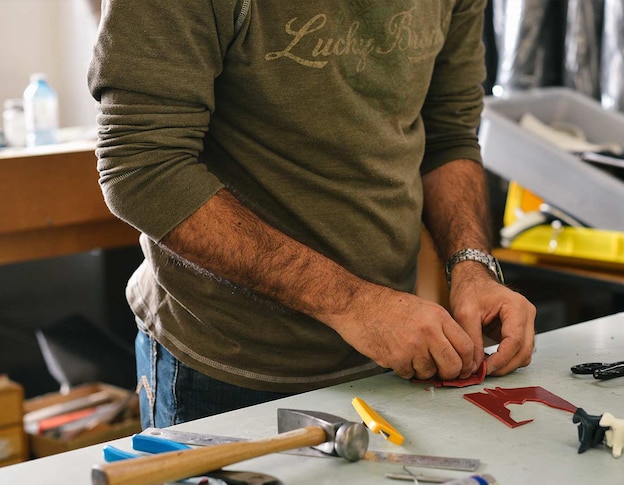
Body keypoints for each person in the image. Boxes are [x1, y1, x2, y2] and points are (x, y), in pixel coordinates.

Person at [88, 0, 536, 429]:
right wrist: (353, 304)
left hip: (389, 359)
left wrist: (472, 267)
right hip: (229, 370)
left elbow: (448, 134)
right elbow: (143, 168)